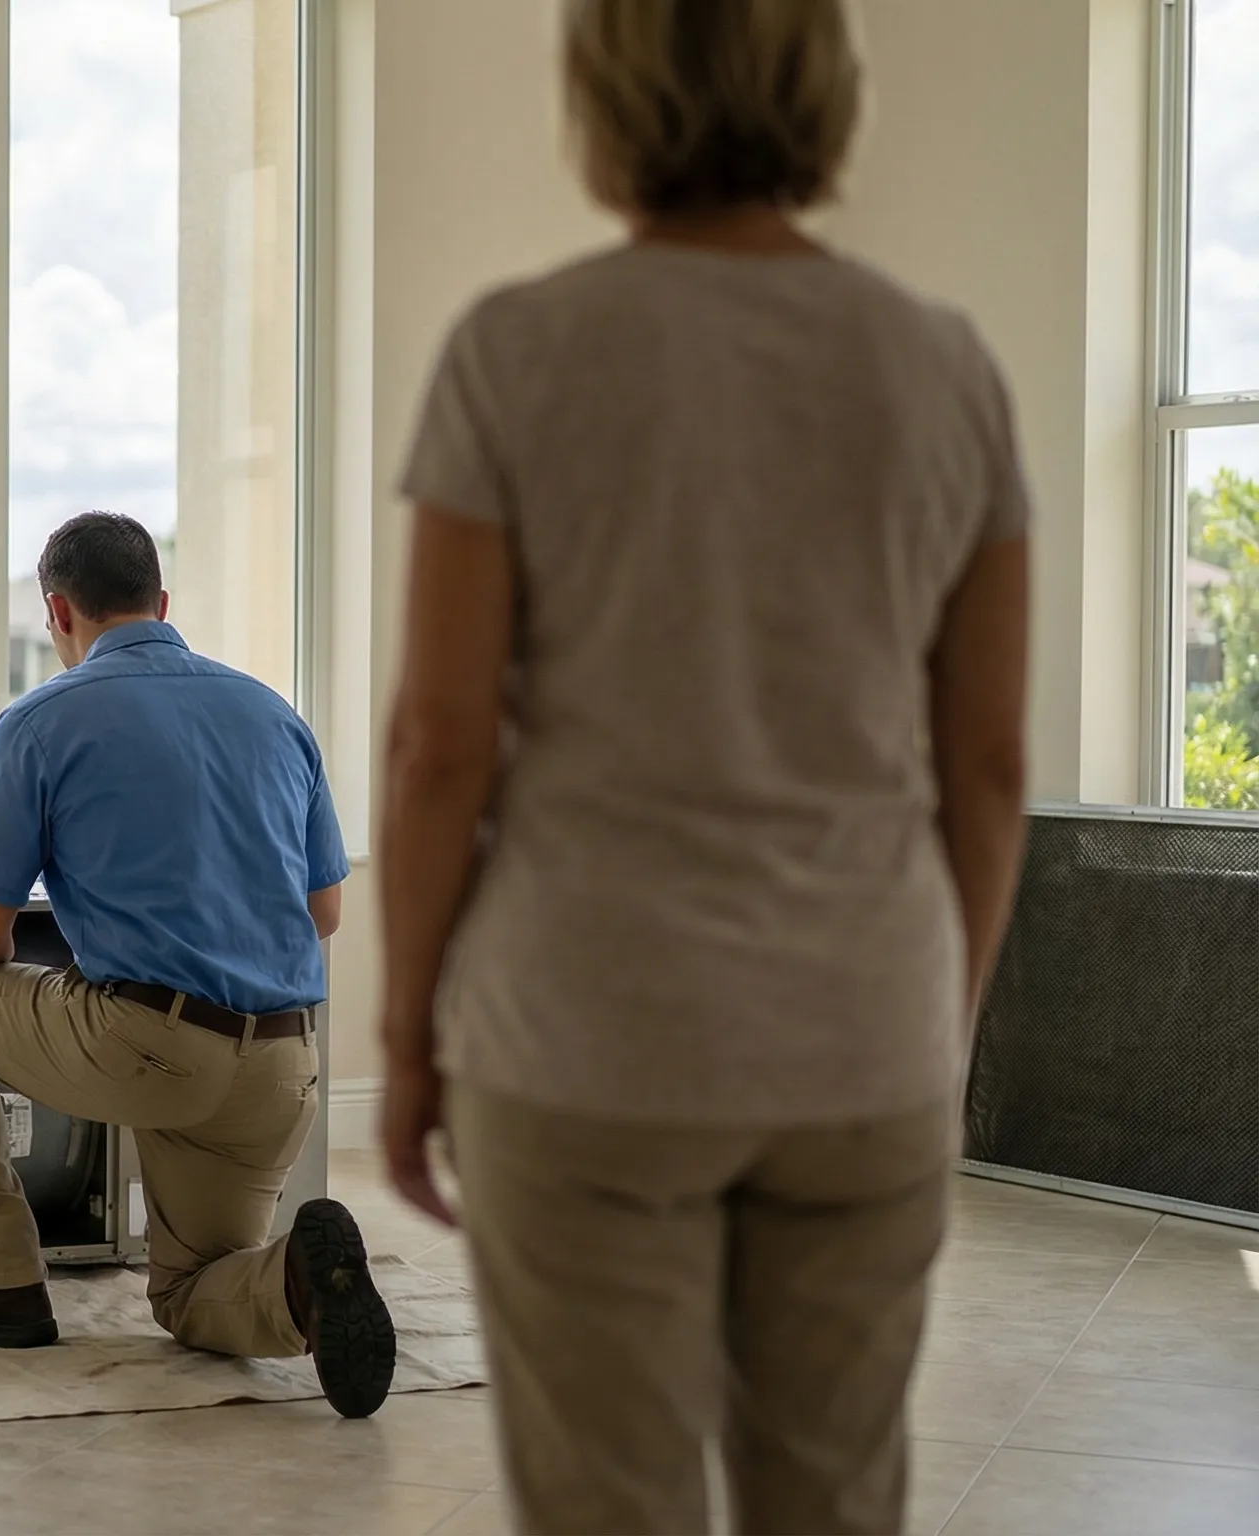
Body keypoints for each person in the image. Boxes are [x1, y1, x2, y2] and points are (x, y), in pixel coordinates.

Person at [378, 1, 1033, 1530]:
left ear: (601, 94)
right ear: (830, 92)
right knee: (837, 1498)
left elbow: (439, 747)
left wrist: (410, 1040)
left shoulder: (518, 349)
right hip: (864, 1030)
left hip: (584, 1036)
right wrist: (937, 1019)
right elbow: (990, 762)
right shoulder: (945, 368)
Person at [0, 511, 398, 1418]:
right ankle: (297, 1287)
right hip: (281, 1063)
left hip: (147, 1048)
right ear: (162, 602)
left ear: (58, 613)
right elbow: (323, 912)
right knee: (191, 1290)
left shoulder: (42, 720)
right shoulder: (272, 713)